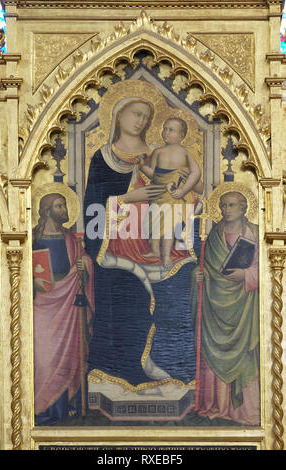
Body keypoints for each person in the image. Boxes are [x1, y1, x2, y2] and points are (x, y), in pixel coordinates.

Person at [84, 96, 201, 393]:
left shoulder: (159, 154)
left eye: (147, 118)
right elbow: (92, 207)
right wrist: (126, 199)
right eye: (136, 114)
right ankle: (117, 369)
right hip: (116, 245)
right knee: (123, 298)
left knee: (178, 284)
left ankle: (172, 367)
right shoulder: (102, 158)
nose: (141, 122)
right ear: (119, 114)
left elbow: (183, 192)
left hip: (156, 237)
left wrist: (183, 193)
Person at [192, 191, 260, 425]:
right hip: (215, 309)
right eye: (223, 205)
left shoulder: (255, 234)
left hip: (245, 308)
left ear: (243, 208)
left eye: (231, 205)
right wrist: (198, 277)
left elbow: (271, 271)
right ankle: (218, 406)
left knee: (246, 356)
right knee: (214, 356)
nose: (226, 209)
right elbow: (208, 269)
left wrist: (246, 274)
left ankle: (243, 411)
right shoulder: (213, 235)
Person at [33, 193, 94, 425]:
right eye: (59, 206)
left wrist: (84, 265)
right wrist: (32, 279)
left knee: (68, 359)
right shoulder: (33, 238)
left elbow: (85, 260)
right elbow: (20, 268)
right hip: (42, 305)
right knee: (44, 360)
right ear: (47, 210)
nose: (64, 209)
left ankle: (61, 410)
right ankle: (40, 409)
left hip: (68, 304)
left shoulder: (71, 239)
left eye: (65, 205)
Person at [138, 117, 201, 268]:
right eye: (164, 129)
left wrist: (183, 190)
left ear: (181, 135)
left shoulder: (184, 152)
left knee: (168, 226)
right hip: (158, 193)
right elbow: (153, 174)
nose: (166, 132)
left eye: (171, 130)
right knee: (151, 223)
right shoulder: (158, 152)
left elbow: (196, 172)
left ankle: (166, 256)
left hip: (173, 194)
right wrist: (141, 166)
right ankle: (154, 251)